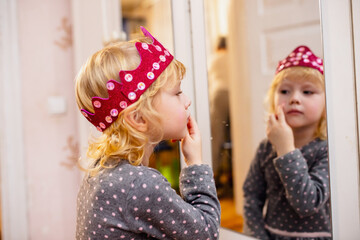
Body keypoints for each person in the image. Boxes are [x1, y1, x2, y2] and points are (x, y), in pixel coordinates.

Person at [75, 27, 220, 239]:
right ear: (139, 119)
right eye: (177, 92)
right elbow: (206, 233)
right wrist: (195, 164)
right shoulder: (139, 185)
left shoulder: (100, 171)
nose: (187, 100)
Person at [243, 45, 331, 240]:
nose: (294, 99)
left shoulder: (327, 150)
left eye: (307, 92)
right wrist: (258, 236)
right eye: (285, 91)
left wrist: (285, 149)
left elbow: (307, 204)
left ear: (327, 103)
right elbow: (252, 197)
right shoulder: (266, 148)